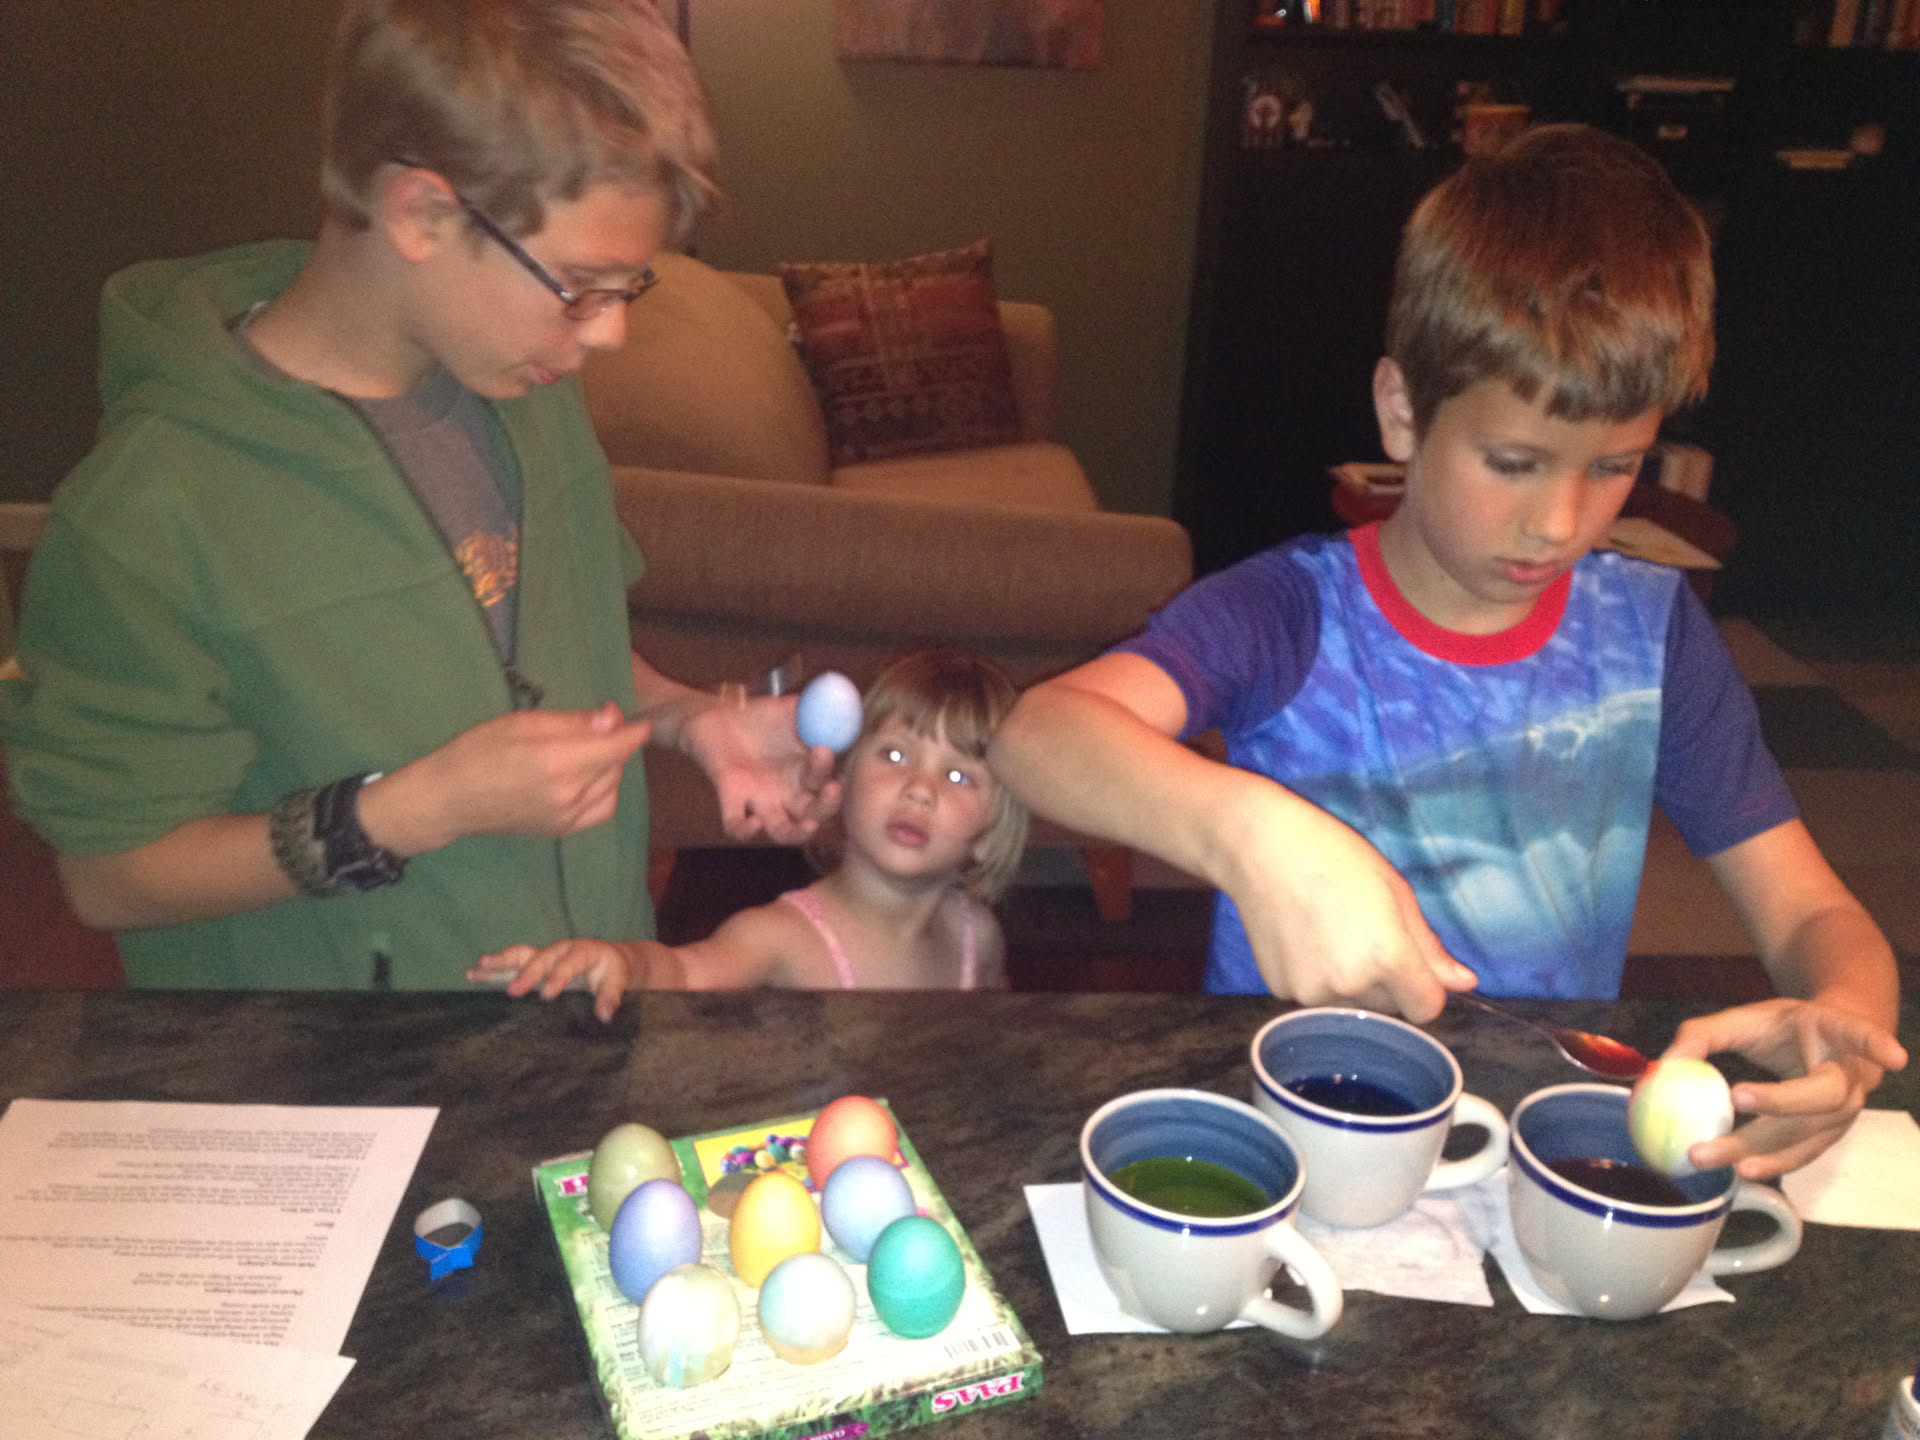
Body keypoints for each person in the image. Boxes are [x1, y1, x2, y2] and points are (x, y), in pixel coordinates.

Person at [988, 124, 1905, 1179]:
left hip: (1533, 1148)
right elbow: (1037, 736)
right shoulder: (1289, 612)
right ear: (1403, 412)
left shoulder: (1655, 640)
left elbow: (1811, 909)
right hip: (1292, 1143)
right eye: (1513, 462)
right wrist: (1248, 833)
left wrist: (1843, 1022)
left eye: (1615, 467)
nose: (1560, 522)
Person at [0, 0, 837, 991]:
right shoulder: (148, 517)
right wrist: (415, 809)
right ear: (422, 214)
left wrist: (690, 719)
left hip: (580, 1011)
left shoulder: (528, 402)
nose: (609, 334)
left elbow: (558, 655)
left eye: (627, 290)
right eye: (580, 286)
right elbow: (111, 877)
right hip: (340, 1069)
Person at [469, 649, 1029, 1016]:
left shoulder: (976, 939)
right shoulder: (783, 937)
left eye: (959, 776)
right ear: (844, 776)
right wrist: (622, 963)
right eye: (895, 755)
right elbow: (686, 971)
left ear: (991, 829)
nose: (920, 789)